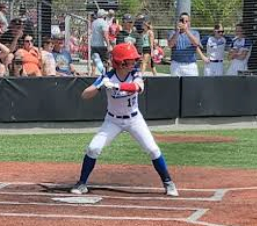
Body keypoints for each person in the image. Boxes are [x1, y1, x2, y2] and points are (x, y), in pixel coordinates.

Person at [67, 43, 178, 197]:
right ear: (120, 62)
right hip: (112, 120)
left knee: (153, 149)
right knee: (93, 149)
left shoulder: (135, 74)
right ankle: (82, 183)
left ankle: (168, 182)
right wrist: (100, 86)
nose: (133, 63)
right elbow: (85, 95)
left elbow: (138, 88)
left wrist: (117, 86)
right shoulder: (107, 77)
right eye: (129, 60)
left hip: (134, 120)